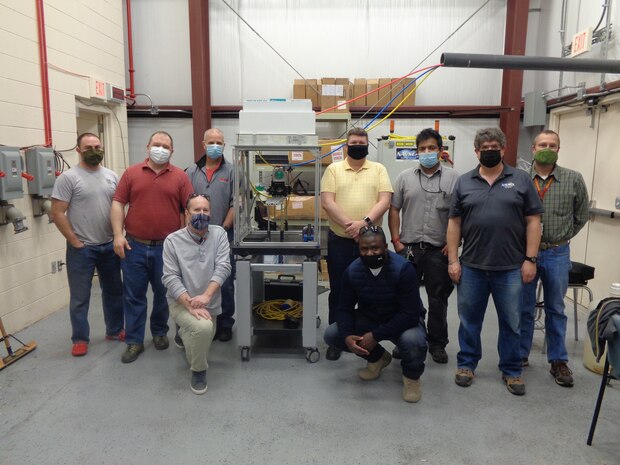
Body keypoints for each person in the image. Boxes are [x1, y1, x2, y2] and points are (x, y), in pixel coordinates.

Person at [447, 127, 544, 396]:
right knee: (469, 321)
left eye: (494, 146)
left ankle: (512, 370)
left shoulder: (521, 180)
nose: (489, 150)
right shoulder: (464, 182)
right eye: (484, 147)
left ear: (503, 149)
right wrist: (453, 260)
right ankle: (466, 364)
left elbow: (534, 222)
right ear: (476, 152)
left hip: (511, 267)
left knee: (512, 322)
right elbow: (454, 223)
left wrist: (530, 259)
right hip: (472, 267)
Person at [111, 131, 193, 364]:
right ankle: (134, 341)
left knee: (163, 294)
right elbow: (118, 203)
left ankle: (159, 332)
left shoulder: (180, 177)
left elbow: (188, 209)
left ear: (172, 151)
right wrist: (118, 235)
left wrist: (185, 243)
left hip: (166, 249)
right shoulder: (131, 173)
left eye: (165, 146)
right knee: (134, 295)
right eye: (156, 144)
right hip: (134, 245)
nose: (160, 149)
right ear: (147, 147)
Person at [323, 226, 427, 403]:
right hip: (371, 317)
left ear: (385, 247)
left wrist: (376, 335)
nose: (370, 253)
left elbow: (410, 314)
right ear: (359, 249)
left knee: (413, 341)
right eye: (364, 249)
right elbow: (344, 309)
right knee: (333, 334)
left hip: (402, 321)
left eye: (375, 248)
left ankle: (411, 378)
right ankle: (377, 358)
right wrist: (348, 335)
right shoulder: (352, 271)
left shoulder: (404, 269)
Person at [520, 129, 589, 387]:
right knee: (523, 307)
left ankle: (558, 361)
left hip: (557, 252)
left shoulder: (572, 179)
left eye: (552, 144)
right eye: (542, 144)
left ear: (559, 149)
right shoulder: (520, 179)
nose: (547, 148)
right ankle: (520, 355)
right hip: (526, 253)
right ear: (533, 149)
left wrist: (564, 235)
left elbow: (582, 214)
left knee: (556, 308)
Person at [320, 127, 393, 360]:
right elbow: (327, 202)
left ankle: (370, 337)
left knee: (375, 289)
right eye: (354, 142)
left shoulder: (379, 169)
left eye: (362, 142)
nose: (358, 145)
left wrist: (363, 224)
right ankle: (339, 337)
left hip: (373, 242)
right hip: (340, 241)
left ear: (368, 145)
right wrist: (351, 226)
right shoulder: (333, 169)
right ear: (346, 145)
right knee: (339, 291)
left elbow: (385, 200)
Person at [389, 128, 459, 364]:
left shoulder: (454, 178)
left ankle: (437, 343)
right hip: (408, 248)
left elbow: (460, 215)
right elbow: (394, 209)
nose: (426, 152)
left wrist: (454, 244)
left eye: (431, 148)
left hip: (440, 250)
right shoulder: (404, 177)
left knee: (438, 298)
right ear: (416, 152)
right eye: (422, 149)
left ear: (440, 151)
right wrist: (396, 240)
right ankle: (407, 341)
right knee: (406, 299)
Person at [51, 133, 124, 357]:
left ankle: (115, 329)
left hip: (109, 245)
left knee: (114, 292)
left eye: (97, 146)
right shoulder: (68, 178)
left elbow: (119, 207)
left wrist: (119, 235)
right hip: (82, 249)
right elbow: (57, 212)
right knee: (80, 297)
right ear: (79, 150)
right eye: (89, 147)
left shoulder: (111, 176)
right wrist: (74, 241)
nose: (94, 150)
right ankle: (80, 338)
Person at [162, 194, 231, 394]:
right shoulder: (172, 241)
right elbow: (170, 277)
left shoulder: (219, 235)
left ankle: (183, 333)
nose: (201, 214)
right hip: (182, 303)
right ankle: (198, 371)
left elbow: (224, 267)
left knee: (204, 334)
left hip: (210, 303)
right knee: (202, 330)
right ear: (186, 213)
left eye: (205, 210)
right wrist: (189, 304)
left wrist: (207, 296)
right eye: (196, 210)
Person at [185, 128, 235, 342]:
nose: (215, 146)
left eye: (219, 142)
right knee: (196, 279)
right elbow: (184, 206)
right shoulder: (190, 172)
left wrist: (222, 228)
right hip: (194, 237)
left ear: (224, 145)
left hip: (223, 234)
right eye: (211, 142)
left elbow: (236, 203)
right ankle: (198, 319)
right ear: (203, 145)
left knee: (225, 281)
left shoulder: (232, 171)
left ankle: (224, 323)